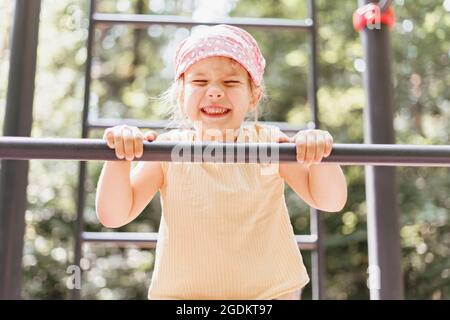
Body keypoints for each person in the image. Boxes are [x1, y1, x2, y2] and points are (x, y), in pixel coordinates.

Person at [95, 24, 347, 300]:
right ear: (181, 96)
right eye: (200, 82)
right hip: (185, 298)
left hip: (269, 295)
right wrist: (119, 156)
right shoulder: (168, 150)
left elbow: (329, 201)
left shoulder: (269, 144)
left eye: (230, 82)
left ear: (254, 96)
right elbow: (114, 215)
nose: (214, 91)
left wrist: (321, 153)